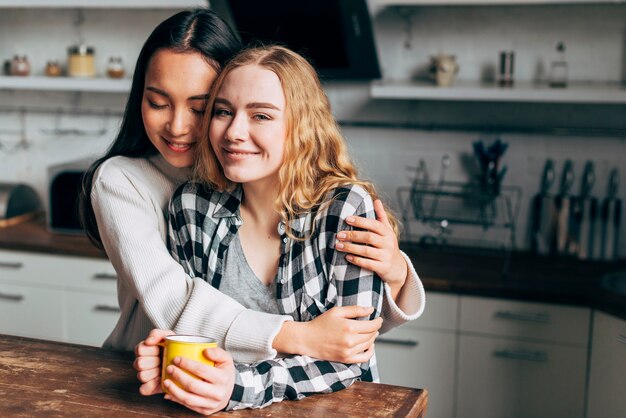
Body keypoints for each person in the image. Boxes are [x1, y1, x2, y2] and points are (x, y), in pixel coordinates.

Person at [79, 8, 424, 369]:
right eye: (158, 102)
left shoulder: (248, 176)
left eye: (201, 108)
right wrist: (302, 337)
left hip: (228, 381)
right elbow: (173, 302)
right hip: (152, 367)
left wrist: (397, 274)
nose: (178, 126)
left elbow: (347, 336)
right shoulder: (127, 182)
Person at [138, 45, 426, 415]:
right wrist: (166, 360)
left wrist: (238, 386)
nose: (234, 132)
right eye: (223, 112)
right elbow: (197, 332)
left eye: (261, 115)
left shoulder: (344, 210)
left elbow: (349, 359)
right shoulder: (192, 206)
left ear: (301, 127)